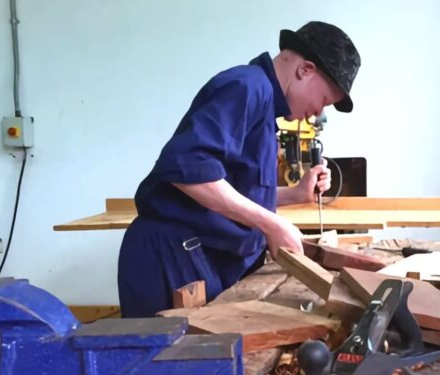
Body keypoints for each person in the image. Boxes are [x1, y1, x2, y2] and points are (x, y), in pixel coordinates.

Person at [118, 21, 361, 318]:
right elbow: (188, 171)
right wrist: (271, 224)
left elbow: (230, 192)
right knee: (165, 361)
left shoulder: (265, 111)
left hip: (195, 255)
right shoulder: (246, 87)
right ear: (305, 70)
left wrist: (296, 194)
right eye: (324, 100)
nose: (319, 113)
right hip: (169, 255)